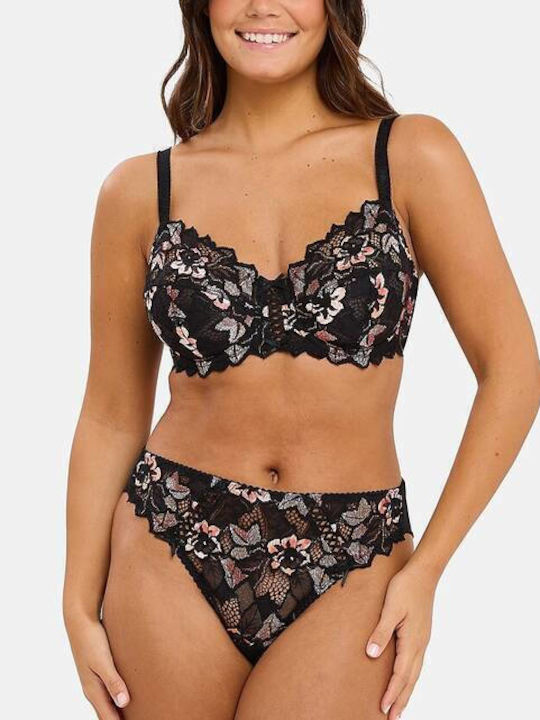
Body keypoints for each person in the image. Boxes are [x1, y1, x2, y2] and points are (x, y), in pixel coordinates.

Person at [62, 2, 540, 719]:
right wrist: (75, 601)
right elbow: (109, 414)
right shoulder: (138, 190)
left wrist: (428, 570)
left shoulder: (410, 155)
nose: (264, 5)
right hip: (170, 539)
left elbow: (512, 370)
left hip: (357, 552)